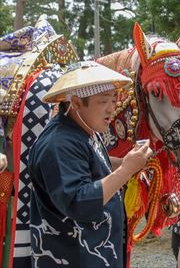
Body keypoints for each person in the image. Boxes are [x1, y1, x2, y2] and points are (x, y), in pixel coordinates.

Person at [28, 61, 153, 268]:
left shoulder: (82, 131)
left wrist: (124, 163)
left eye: (114, 100)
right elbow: (79, 201)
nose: (112, 109)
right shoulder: (59, 143)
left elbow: (92, 166)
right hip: (73, 257)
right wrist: (126, 169)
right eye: (103, 101)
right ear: (76, 103)